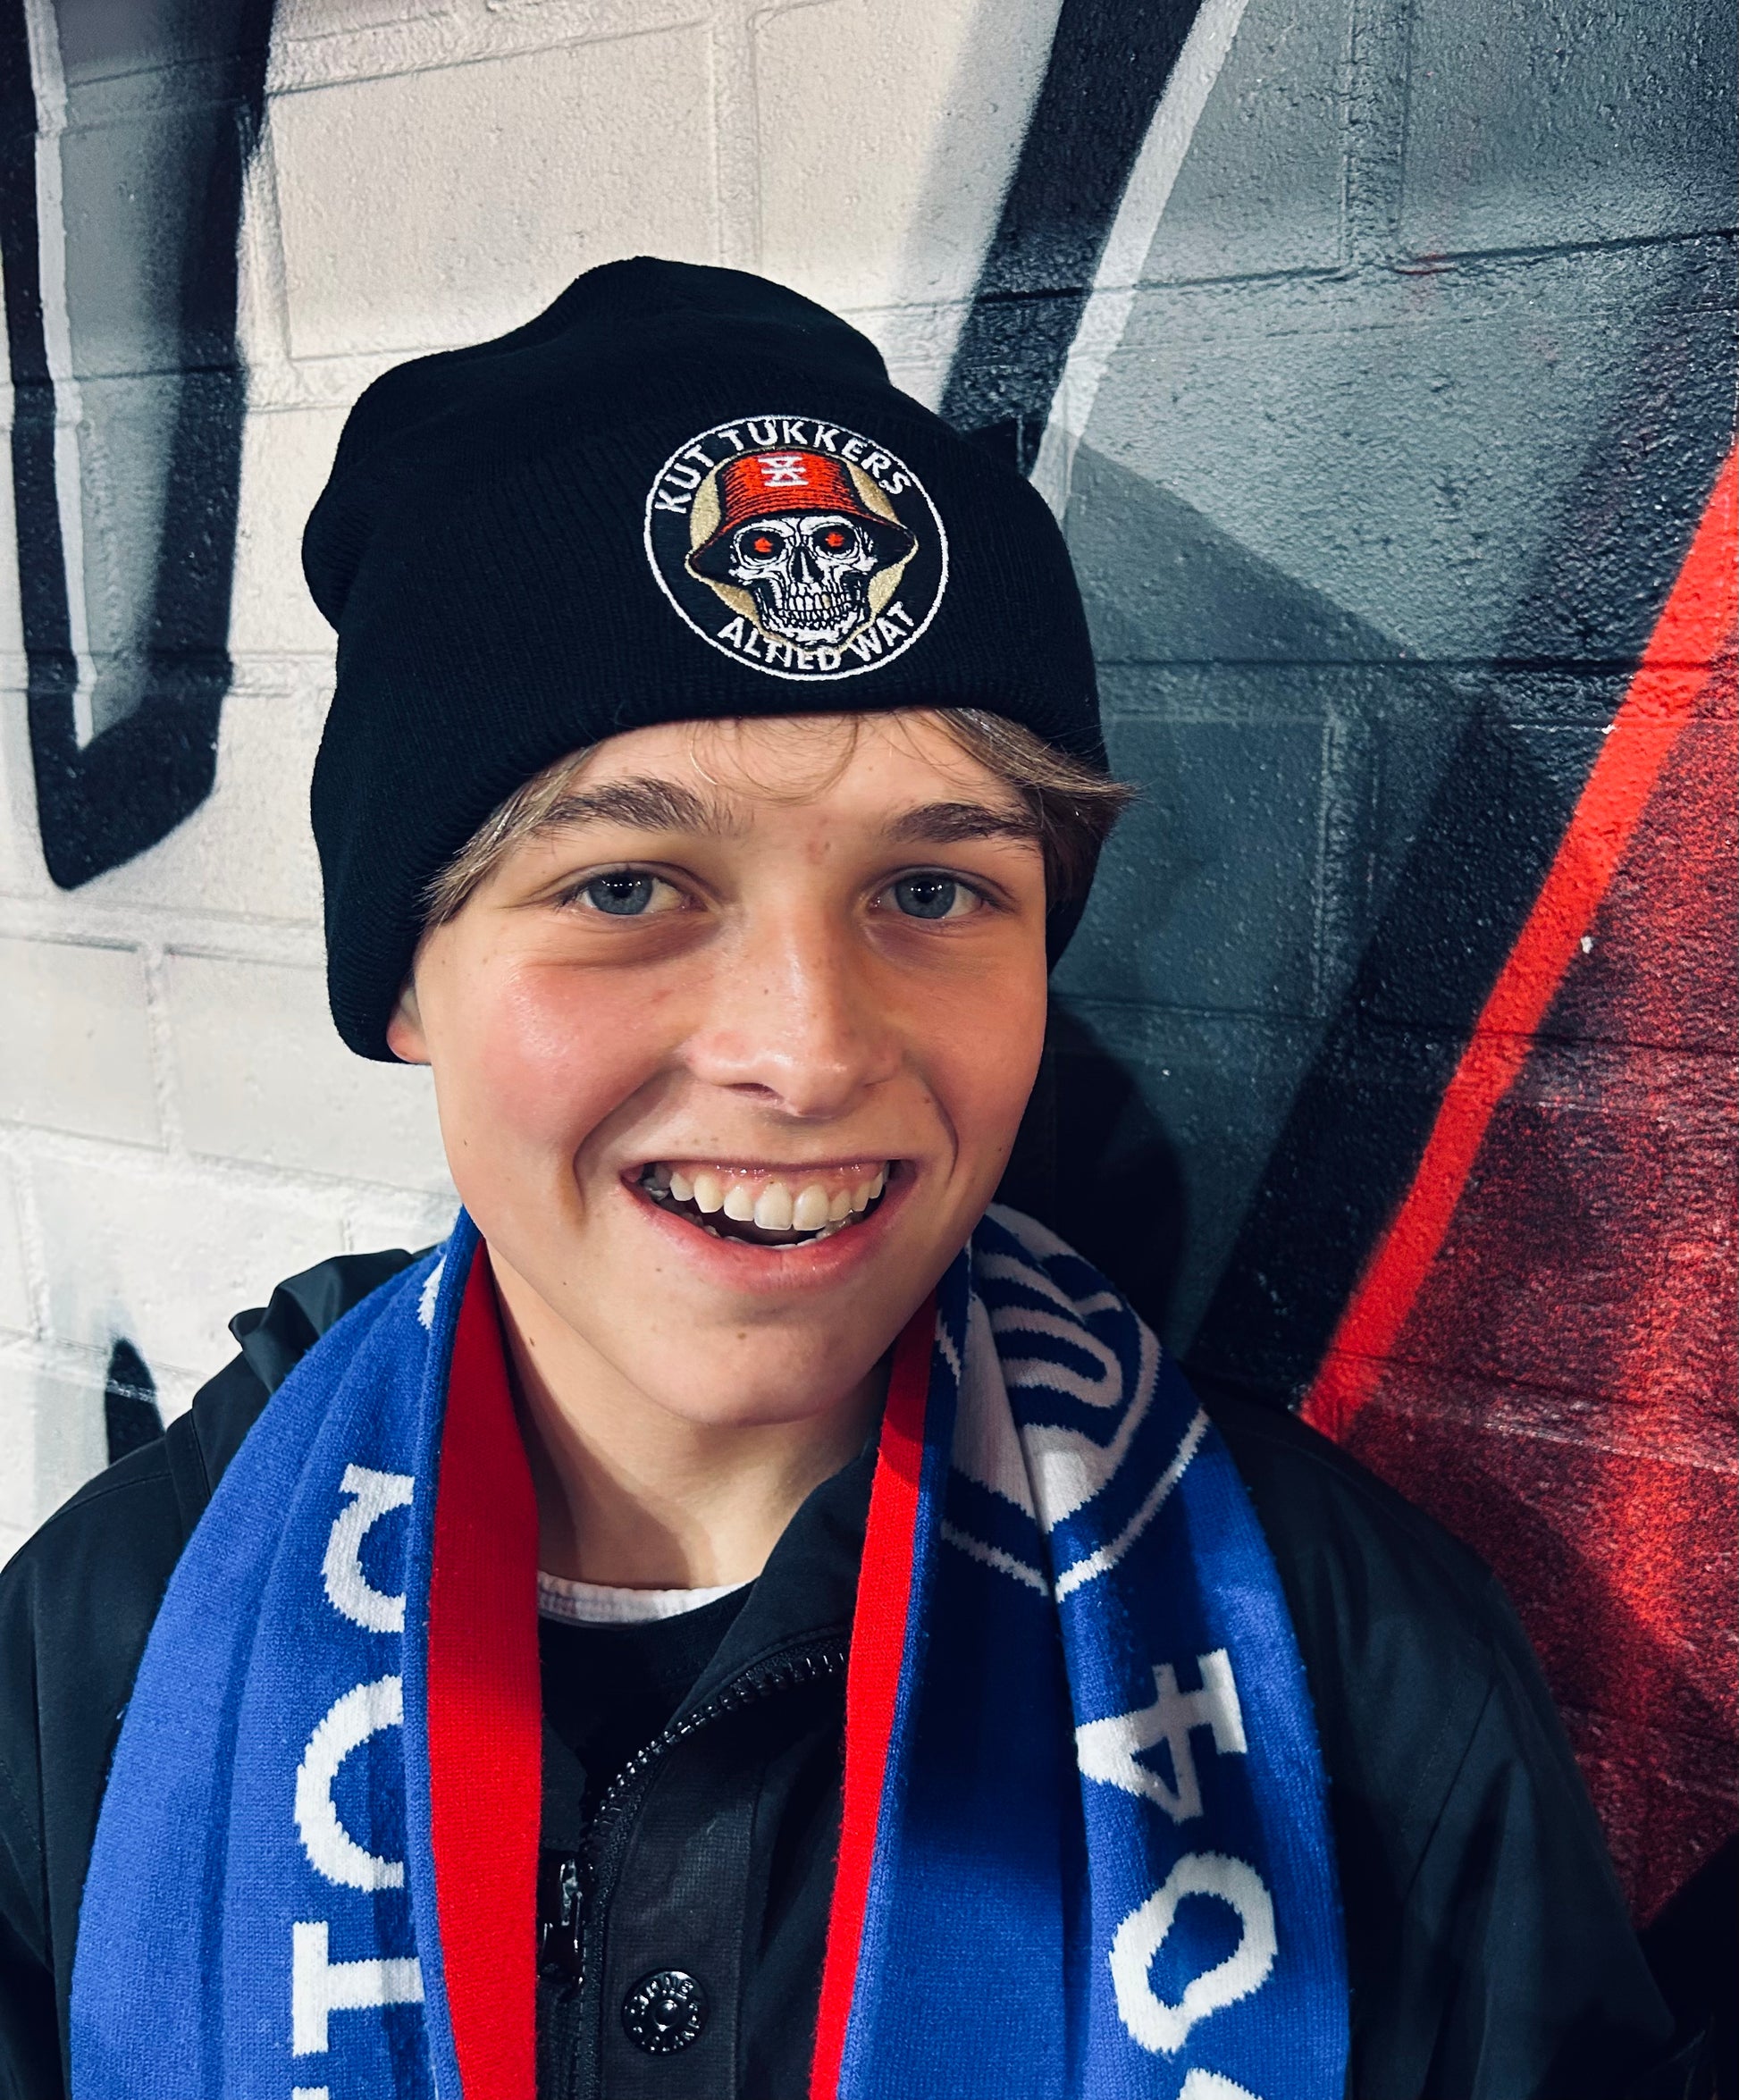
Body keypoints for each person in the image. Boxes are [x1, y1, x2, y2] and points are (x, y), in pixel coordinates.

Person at [0, 261, 1688, 2100]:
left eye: (931, 889)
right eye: (625, 888)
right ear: (408, 978)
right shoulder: (97, 1659)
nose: (807, 1054)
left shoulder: (1355, 1677)